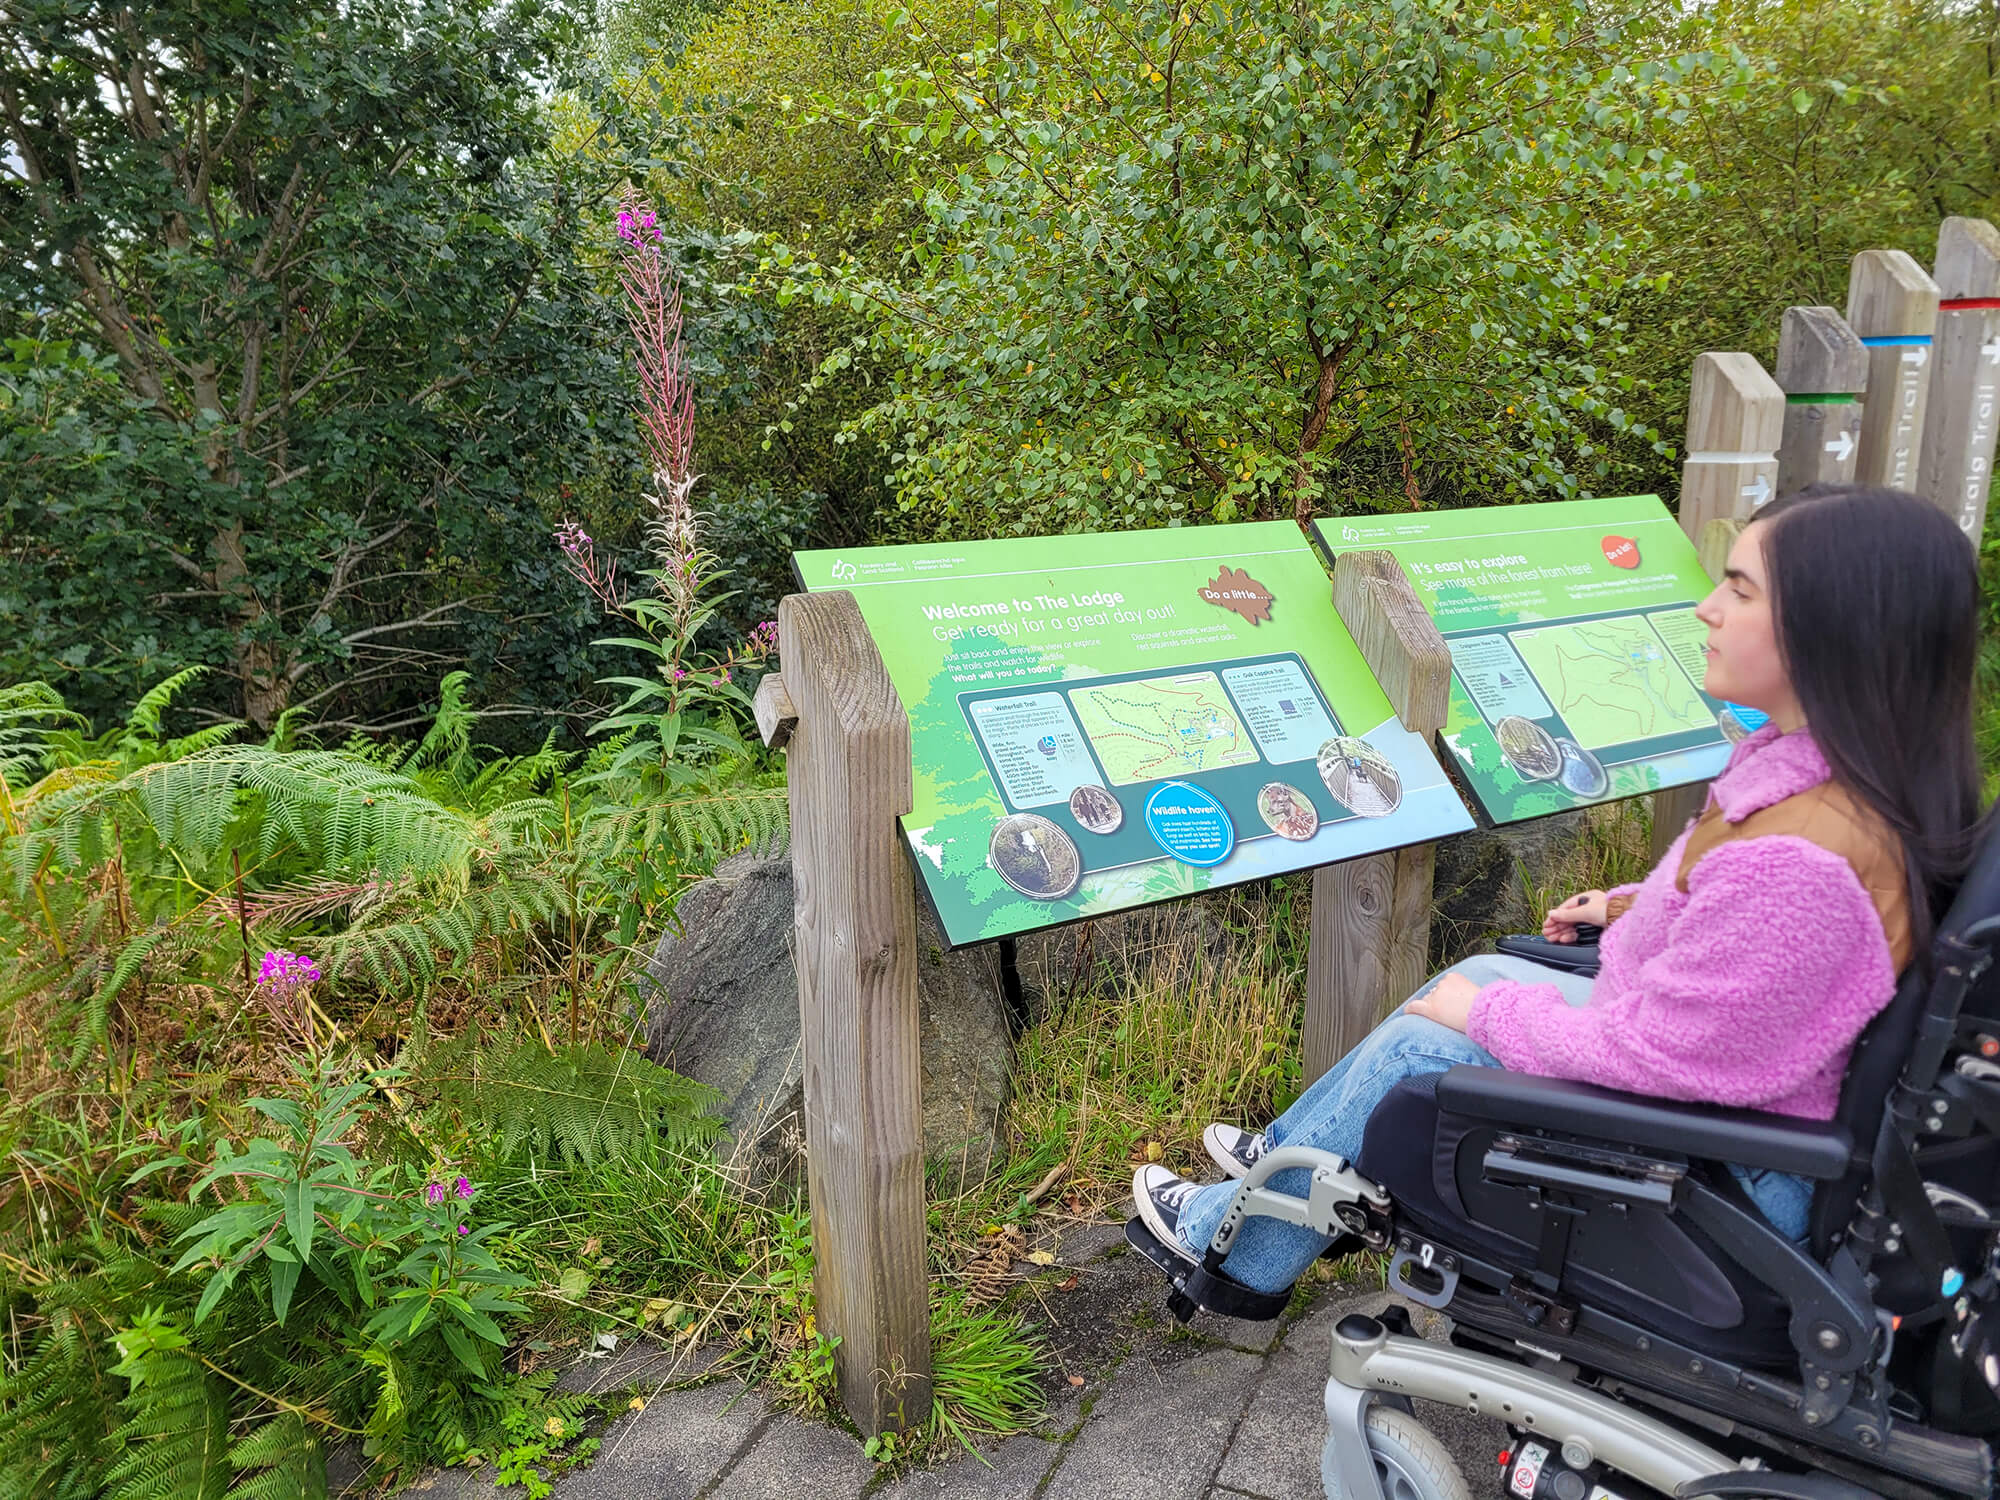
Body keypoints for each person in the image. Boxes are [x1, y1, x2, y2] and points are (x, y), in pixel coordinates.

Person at [1133, 485, 1991, 1294]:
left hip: (1724, 1182)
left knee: (1431, 1040)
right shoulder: (1842, 782)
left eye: (1739, 589)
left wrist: (1487, 1020)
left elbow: (1667, 1060)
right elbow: (1742, 927)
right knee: (1467, 980)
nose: (1707, 608)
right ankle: (1288, 1157)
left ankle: (1228, 1251)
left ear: (1833, 627)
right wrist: (1625, 908)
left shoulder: (1803, 865)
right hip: (1742, 1108)